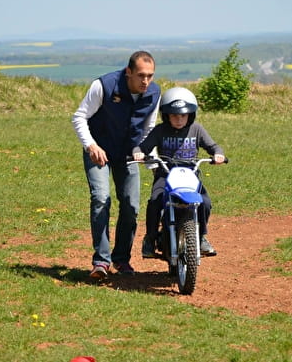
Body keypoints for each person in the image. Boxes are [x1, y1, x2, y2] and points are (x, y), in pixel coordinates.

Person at [72, 51, 161, 278]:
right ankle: (101, 262)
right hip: (98, 151)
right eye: (141, 75)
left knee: (131, 206)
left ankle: (121, 260)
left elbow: (149, 129)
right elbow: (79, 117)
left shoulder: (154, 93)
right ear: (128, 71)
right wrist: (91, 146)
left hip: (129, 154)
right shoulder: (104, 85)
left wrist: (151, 163)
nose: (146, 81)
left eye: (150, 76)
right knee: (101, 199)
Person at [132, 87, 225, 259]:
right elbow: (143, 147)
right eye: (174, 115)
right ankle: (150, 238)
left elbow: (213, 146)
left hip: (190, 174)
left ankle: (201, 236)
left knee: (204, 202)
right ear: (166, 115)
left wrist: (218, 154)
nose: (179, 119)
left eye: (183, 115)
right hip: (165, 174)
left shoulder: (196, 129)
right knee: (155, 201)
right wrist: (138, 153)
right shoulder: (160, 130)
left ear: (191, 114)